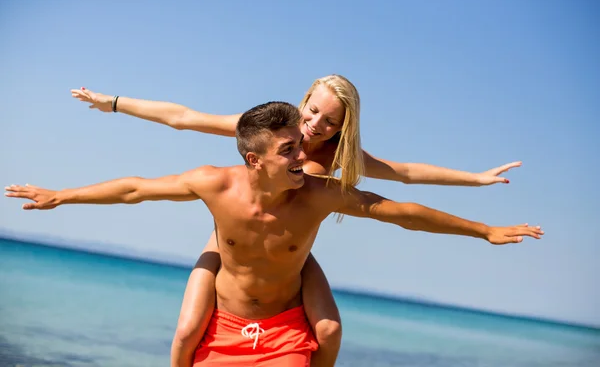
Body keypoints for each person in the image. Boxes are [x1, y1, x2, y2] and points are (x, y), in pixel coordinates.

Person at [5, 101, 543, 367]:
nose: (303, 156)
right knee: (186, 332)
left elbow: (399, 207)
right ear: (253, 158)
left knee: (329, 334)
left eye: (304, 145)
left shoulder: (318, 191)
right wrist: (62, 195)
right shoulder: (216, 184)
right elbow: (135, 188)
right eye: (289, 150)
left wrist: (484, 230)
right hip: (228, 290)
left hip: (285, 307)